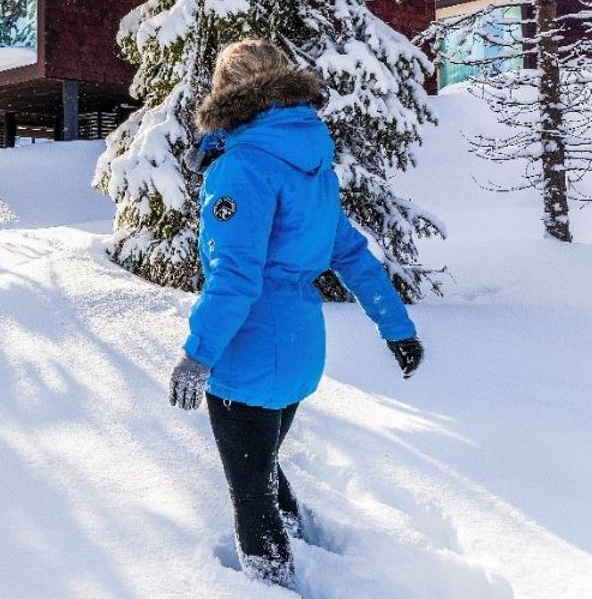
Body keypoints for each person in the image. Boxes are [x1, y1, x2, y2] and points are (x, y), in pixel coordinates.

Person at [167, 39, 425, 589]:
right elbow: (352, 254)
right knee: (264, 465)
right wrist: (397, 329)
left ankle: (274, 580)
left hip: (250, 356)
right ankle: (300, 542)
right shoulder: (312, 164)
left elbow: (236, 279)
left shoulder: (242, 168)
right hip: (301, 352)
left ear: (229, 92)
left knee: (250, 494)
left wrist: (197, 354)